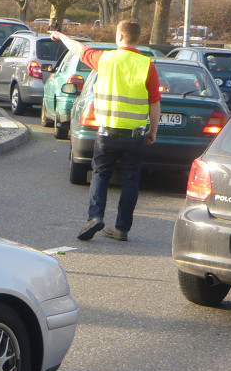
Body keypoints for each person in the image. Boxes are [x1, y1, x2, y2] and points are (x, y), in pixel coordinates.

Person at [51, 19, 161, 242]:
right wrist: (153, 131)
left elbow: (79, 49)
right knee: (131, 180)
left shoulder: (105, 59)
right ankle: (121, 229)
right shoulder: (147, 66)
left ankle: (95, 217)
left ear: (119, 37)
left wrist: (61, 36)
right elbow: (155, 103)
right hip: (135, 135)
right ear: (136, 38)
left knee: (100, 174)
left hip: (107, 133)